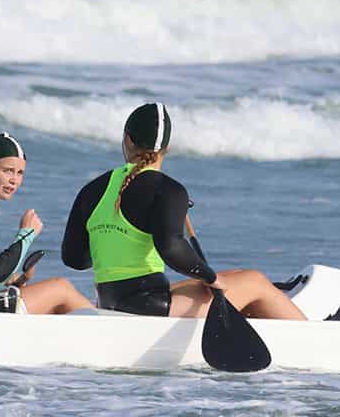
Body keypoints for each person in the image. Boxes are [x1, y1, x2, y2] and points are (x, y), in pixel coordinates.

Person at [61, 103, 306, 320]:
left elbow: (74, 259)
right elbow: (171, 248)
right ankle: (310, 336)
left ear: (127, 140)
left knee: (236, 275)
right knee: (254, 281)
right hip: (149, 307)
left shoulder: (92, 189)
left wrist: (111, 242)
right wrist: (210, 277)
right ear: (166, 148)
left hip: (109, 300)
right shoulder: (168, 189)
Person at [0, 132, 93, 314]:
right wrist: (26, 234)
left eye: (20, 173)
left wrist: (8, 277)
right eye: (7, 170)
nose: (14, 180)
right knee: (61, 290)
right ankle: (109, 325)